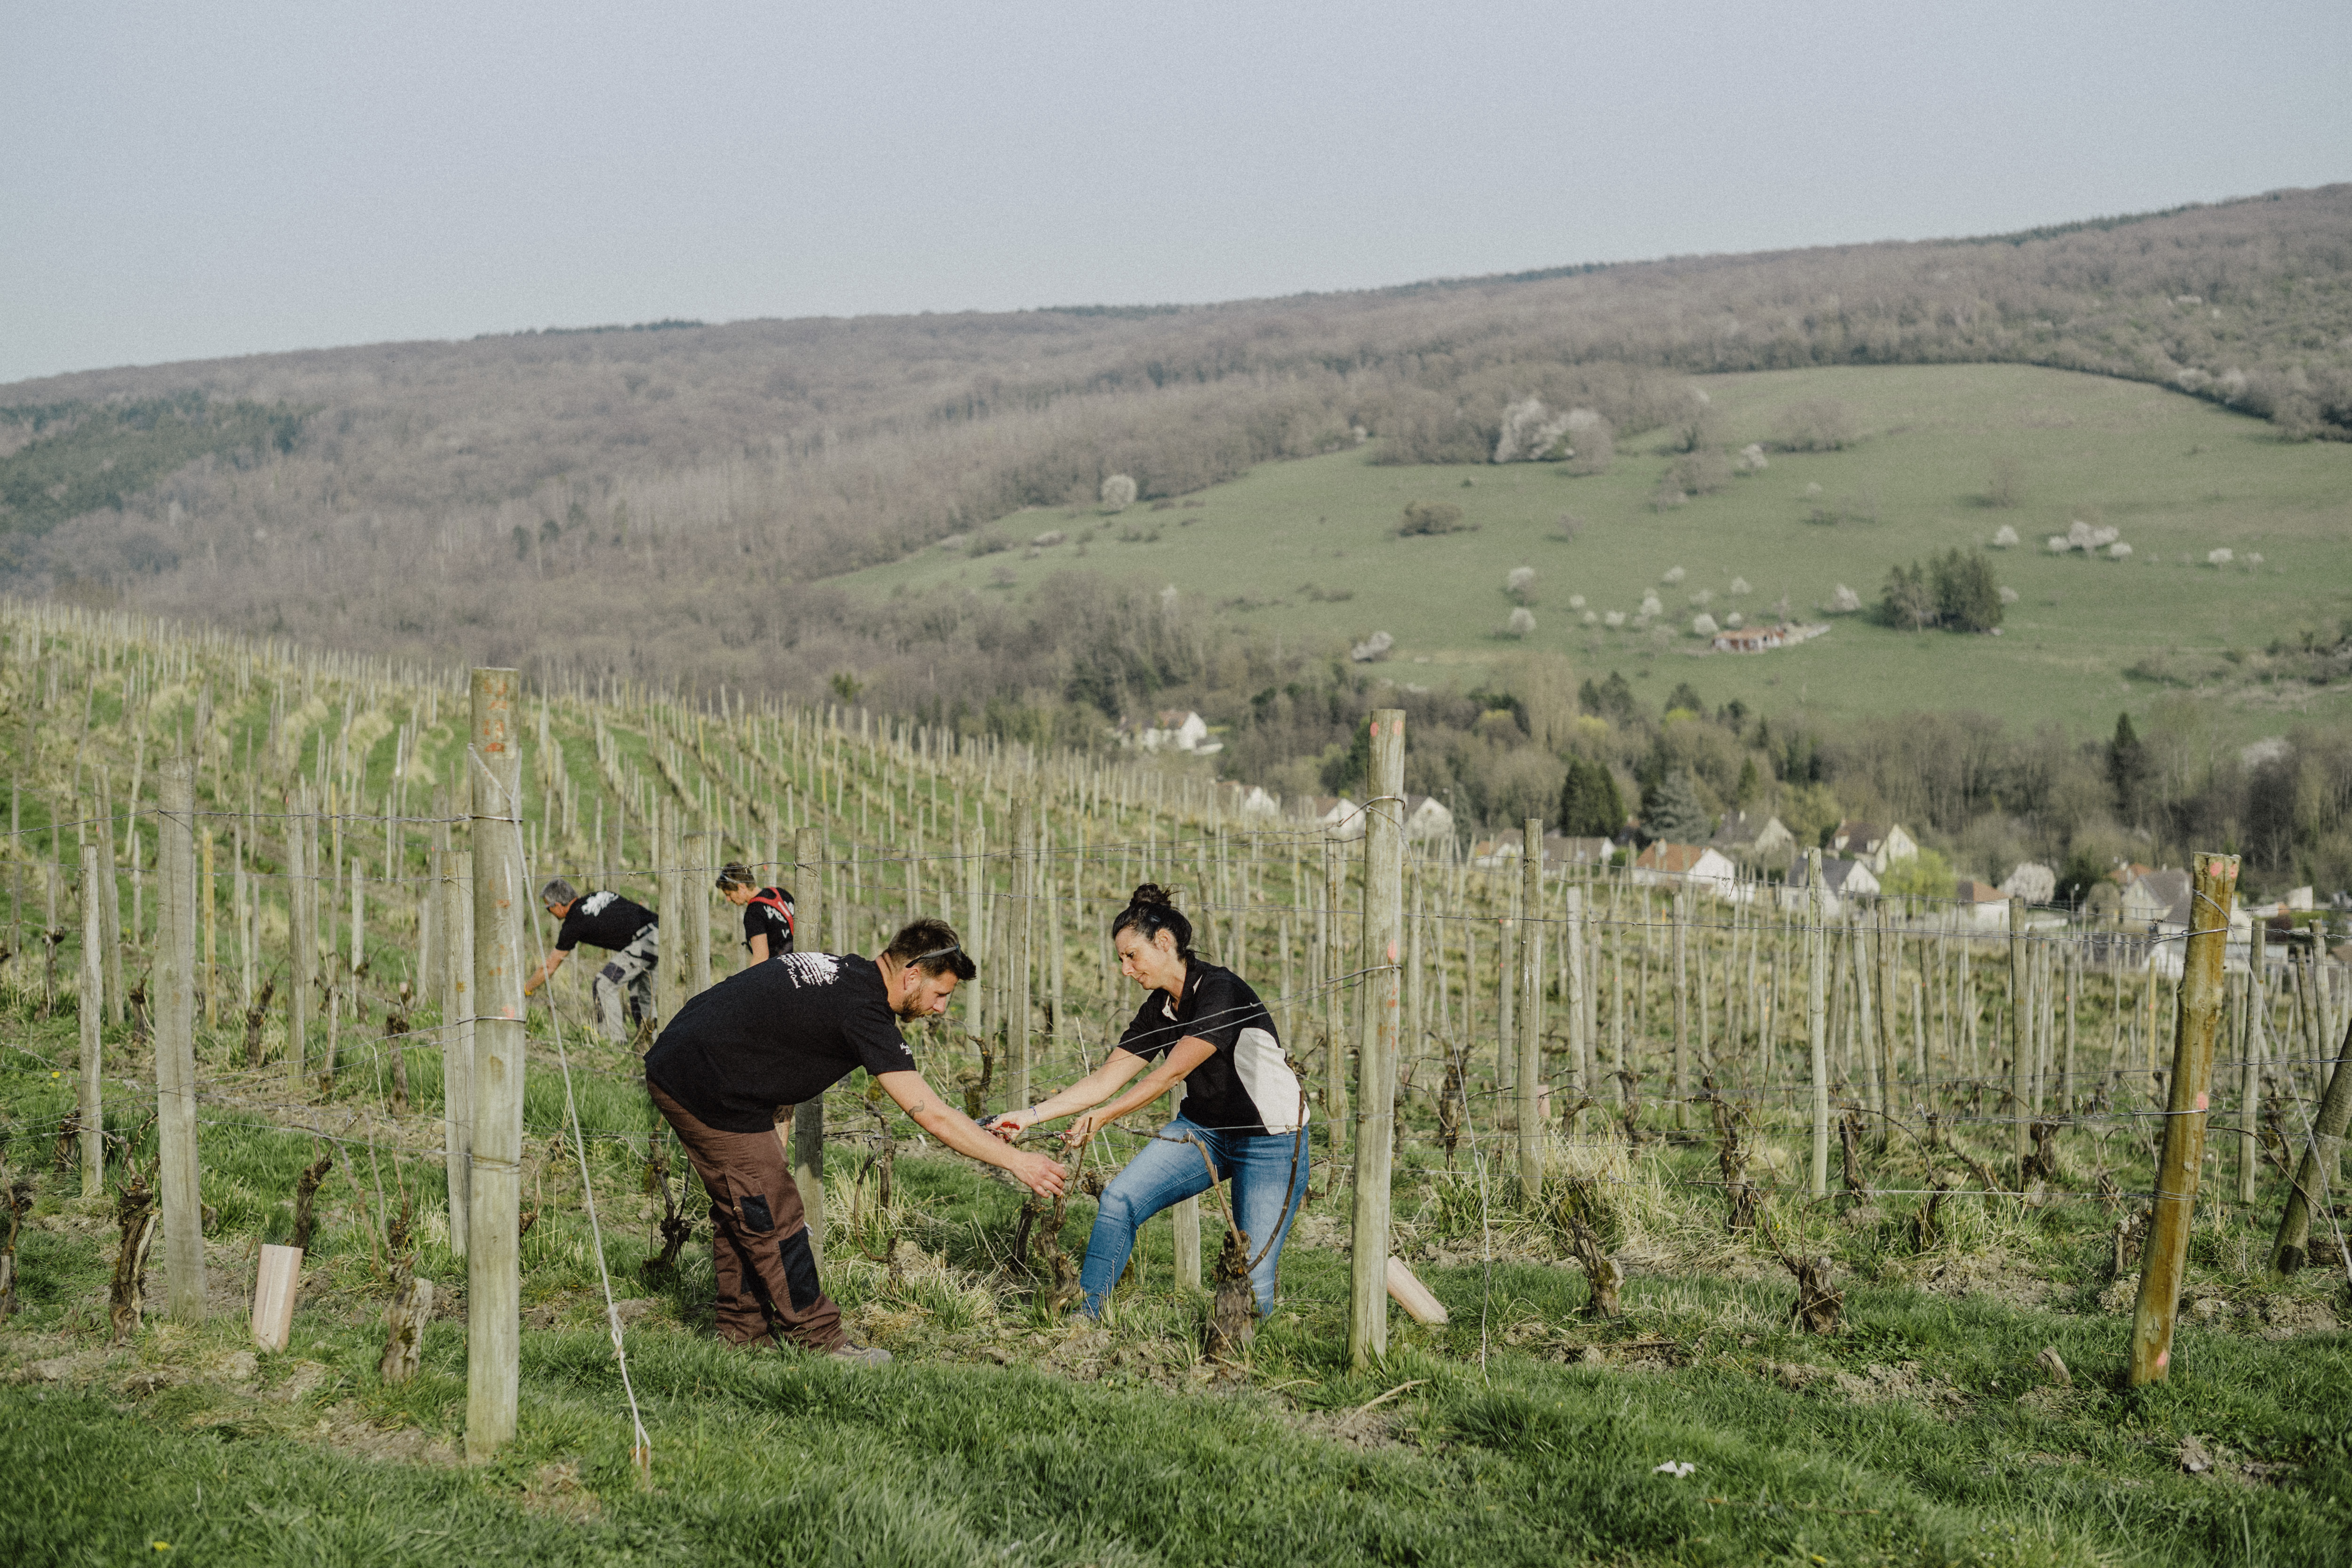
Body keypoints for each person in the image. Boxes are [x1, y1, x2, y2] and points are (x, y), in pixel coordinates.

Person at [644, 917, 1065, 1364]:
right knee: (772, 1210)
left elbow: (770, 1037)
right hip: (703, 1082)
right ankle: (821, 1341)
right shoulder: (863, 1010)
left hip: (695, 1062)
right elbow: (933, 1115)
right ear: (912, 975)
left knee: (747, 1205)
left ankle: (741, 1334)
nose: (941, 1008)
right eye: (941, 994)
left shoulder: (844, 973)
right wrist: (1018, 1163)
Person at [986, 884, 1308, 1320]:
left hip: (1272, 1139)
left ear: (1164, 943)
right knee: (1119, 1200)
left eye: (1131, 955)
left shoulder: (1221, 990)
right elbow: (1105, 1079)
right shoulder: (1160, 1008)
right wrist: (1029, 1115)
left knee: (1252, 1276)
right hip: (1204, 1132)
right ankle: (1086, 1317)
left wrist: (1105, 1115)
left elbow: (1171, 1072)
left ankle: (1241, 1358)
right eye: (1120, 958)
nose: (1125, 969)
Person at [525, 878, 659, 1044]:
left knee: (603, 985)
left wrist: (527, 989)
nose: (549, 913)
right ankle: (652, 1044)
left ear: (558, 905)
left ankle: (614, 1044)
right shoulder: (598, 896)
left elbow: (549, 967)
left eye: (548, 908)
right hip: (659, 932)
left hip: (645, 940)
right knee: (641, 994)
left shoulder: (574, 922)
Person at [716, 861, 795, 967]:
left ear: (742, 887)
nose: (728, 899)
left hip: (784, 969)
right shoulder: (780, 893)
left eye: (729, 894)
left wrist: (747, 982)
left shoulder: (753, 913)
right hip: (806, 961)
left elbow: (761, 958)